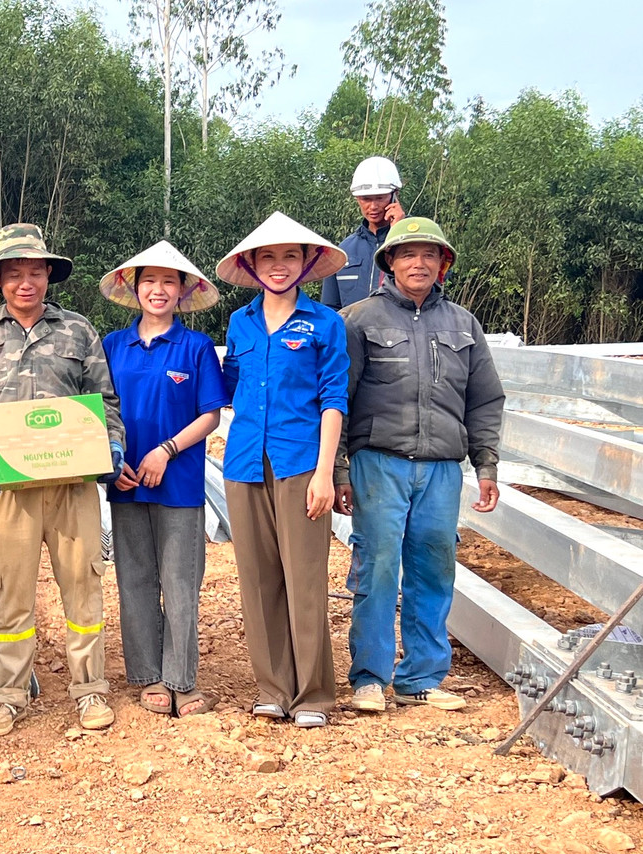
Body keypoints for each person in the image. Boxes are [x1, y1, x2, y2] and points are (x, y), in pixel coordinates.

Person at [0, 223, 126, 737]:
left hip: (73, 486)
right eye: (14, 273)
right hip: (6, 492)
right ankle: (7, 695)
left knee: (83, 588)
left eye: (35, 272)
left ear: (49, 274)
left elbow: (105, 401)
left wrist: (111, 445)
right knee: (10, 593)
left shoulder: (78, 331)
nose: (26, 282)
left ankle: (90, 690)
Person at [335, 217, 505, 713]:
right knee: (378, 568)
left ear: (443, 264)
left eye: (430, 255)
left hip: (442, 469)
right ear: (389, 262)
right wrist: (340, 470)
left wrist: (487, 465)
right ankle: (369, 677)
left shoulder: (464, 324)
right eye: (408, 254)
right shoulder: (359, 320)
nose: (419, 263)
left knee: (434, 569)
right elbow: (337, 402)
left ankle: (421, 677)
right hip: (378, 464)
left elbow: (484, 399)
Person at [216, 212, 350, 729]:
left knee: (305, 579)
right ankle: (273, 687)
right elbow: (230, 388)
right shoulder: (240, 322)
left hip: (300, 464)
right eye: (267, 257)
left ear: (307, 262)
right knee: (258, 578)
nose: (278, 266)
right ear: (251, 265)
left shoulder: (325, 324)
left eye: (289, 256)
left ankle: (313, 693)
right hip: (244, 462)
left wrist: (325, 474)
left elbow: (334, 399)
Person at [98, 242, 226, 718]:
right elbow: (98, 411)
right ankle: (148, 676)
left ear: (183, 291)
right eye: (149, 281)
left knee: (179, 580)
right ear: (135, 288)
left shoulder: (194, 347)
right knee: (134, 578)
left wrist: (166, 451)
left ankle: (182, 678)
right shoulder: (113, 345)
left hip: (180, 482)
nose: (158, 290)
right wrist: (114, 463)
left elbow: (210, 415)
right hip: (126, 480)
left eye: (168, 282)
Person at [321, 156, 406, 310]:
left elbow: (435, 286)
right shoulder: (344, 250)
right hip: (353, 333)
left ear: (395, 195)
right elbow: (330, 308)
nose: (373, 206)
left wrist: (400, 235)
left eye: (380, 198)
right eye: (366, 199)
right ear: (357, 199)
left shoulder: (417, 240)